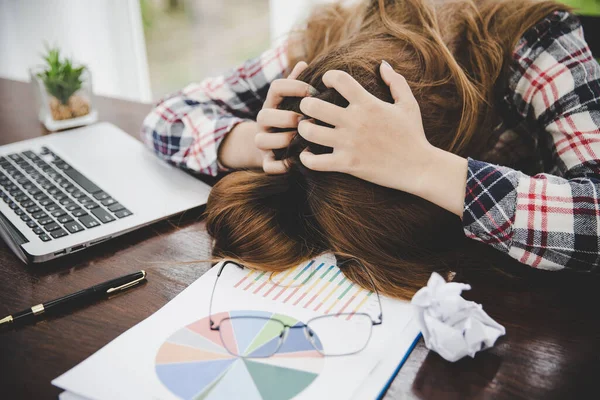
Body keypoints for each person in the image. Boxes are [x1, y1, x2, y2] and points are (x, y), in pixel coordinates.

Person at [141, 0, 600, 299]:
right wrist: (251, 141)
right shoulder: (329, 34)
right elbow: (165, 117)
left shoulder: (536, 41)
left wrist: (424, 167)